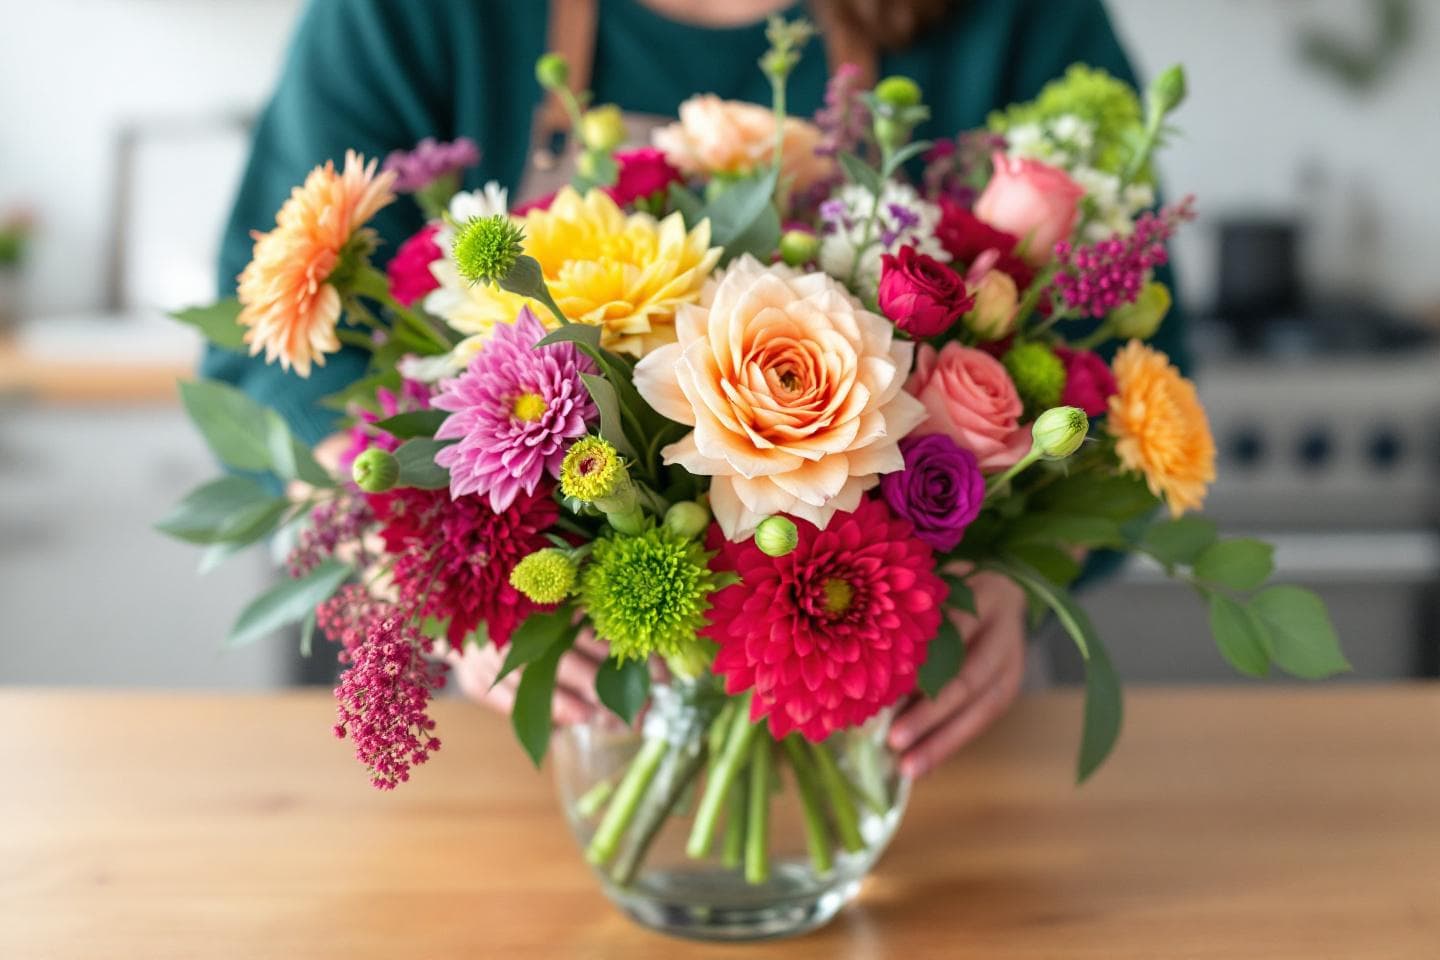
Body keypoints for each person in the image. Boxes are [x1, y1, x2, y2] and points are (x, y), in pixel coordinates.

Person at [211, 0, 1183, 780]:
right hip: (540, 761)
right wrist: (439, 573)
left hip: (924, 747)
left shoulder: (1020, 17)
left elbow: (1141, 378)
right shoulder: (404, 15)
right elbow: (261, 357)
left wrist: (1021, 574)